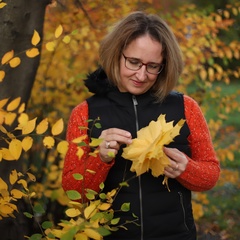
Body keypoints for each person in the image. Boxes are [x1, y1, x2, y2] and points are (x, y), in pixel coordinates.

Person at [62, 11, 220, 240]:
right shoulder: (85, 114)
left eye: (153, 66)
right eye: (133, 62)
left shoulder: (186, 108)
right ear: (116, 54)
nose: (142, 75)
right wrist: (101, 158)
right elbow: (74, 193)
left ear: (164, 66)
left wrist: (186, 169)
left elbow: (211, 176)